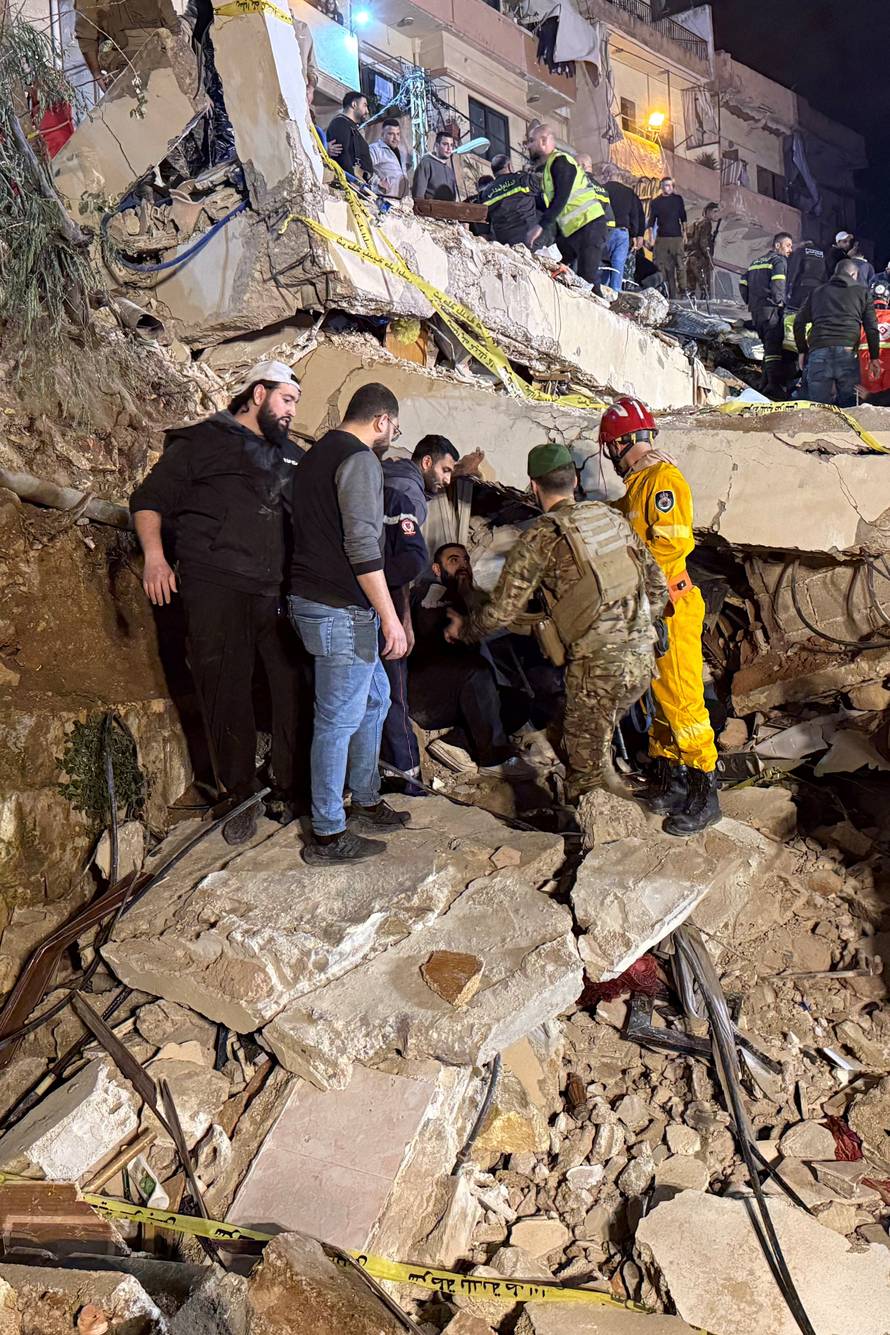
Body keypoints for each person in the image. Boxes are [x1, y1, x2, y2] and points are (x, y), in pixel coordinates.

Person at [130, 360, 304, 845]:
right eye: (287, 400)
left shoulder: (289, 455)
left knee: (291, 681)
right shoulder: (201, 441)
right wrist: (155, 557)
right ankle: (239, 792)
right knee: (225, 689)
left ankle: (288, 786)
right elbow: (149, 499)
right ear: (257, 393)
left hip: (273, 591)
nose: (292, 411)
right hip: (214, 584)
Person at [445, 444, 666, 801]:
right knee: (568, 732)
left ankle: (608, 842)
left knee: (587, 777)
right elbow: (657, 587)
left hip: (599, 672)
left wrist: (464, 629)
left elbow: (500, 613)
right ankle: (605, 789)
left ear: (533, 486)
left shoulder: (541, 536)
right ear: (575, 480)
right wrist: (633, 631)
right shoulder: (609, 518)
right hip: (641, 664)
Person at [288, 383, 409, 865]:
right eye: (393, 429)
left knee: (376, 698)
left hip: (315, 602)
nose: (391, 437)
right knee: (337, 720)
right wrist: (390, 618)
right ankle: (327, 833)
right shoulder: (359, 459)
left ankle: (364, 798)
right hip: (340, 609)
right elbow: (363, 547)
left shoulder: (317, 454)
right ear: (381, 421)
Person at [599, 397, 720, 835]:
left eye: (609, 447)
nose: (610, 456)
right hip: (651, 607)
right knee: (661, 698)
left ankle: (706, 793)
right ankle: (669, 779)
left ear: (619, 443)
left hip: (669, 605)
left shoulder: (662, 481)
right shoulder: (639, 484)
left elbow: (668, 548)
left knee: (684, 698)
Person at [410, 544, 535, 776]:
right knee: (477, 670)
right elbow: (438, 632)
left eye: (466, 560)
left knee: (518, 702)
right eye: (454, 560)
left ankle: (455, 743)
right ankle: (493, 760)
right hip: (429, 697)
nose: (463, 566)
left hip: (460, 694)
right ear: (437, 569)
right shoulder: (428, 595)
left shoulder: (470, 599)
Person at [380, 436, 458, 793]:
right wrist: (402, 621)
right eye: (444, 469)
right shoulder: (407, 493)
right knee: (395, 690)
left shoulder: (386, 473)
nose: (447, 479)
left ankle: (371, 774)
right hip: (383, 608)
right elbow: (400, 566)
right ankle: (408, 776)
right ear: (425, 462)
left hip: (349, 602)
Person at [525, 124, 609, 296]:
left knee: (588, 281)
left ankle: (605, 317)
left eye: (531, 141)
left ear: (544, 140)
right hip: (573, 231)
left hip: (589, 225)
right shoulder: (549, 169)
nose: (528, 146)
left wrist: (540, 226)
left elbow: (561, 199)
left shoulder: (561, 161)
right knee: (553, 264)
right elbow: (554, 206)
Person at [793, 259, 880, 407]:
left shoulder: (817, 292)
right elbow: (871, 328)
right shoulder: (862, 293)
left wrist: (802, 351)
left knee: (818, 408)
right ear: (853, 274)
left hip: (818, 353)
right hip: (847, 354)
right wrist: (874, 357)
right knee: (850, 409)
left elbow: (798, 322)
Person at [739, 232, 794, 397]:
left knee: (767, 347)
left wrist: (749, 301)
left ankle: (764, 382)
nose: (790, 250)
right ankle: (773, 387)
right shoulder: (778, 261)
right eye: (788, 245)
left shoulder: (756, 262)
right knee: (774, 349)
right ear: (777, 245)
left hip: (756, 311)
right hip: (771, 310)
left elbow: (743, 282)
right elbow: (779, 282)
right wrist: (780, 302)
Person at [477, 153, 542, 248]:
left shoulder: (484, 195)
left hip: (506, 245)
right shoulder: (522, 179)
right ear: (509, 166)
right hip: (530, 240)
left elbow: (483, 228)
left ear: (494, 172)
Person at [598, 164, 645, 292]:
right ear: (617, 175)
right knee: (618, 265)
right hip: (622, 233)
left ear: (605, 176)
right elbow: (634, 214)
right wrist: (635, 235)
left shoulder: (601, 189)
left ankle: (601, 292)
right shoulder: (628, 192)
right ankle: (615, 293)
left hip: (604, 230)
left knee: (602, 264)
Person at [646, 177, 688, 299]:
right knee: (660, 265)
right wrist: (651, 238)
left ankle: (683, 290)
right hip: (662, 238)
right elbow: (651, 221)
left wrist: (684, 234)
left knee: (680, 264)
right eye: (665, 185)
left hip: (676, 237)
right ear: (661, 186)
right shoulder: (656, 202)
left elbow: (683, 217)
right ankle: (662, 290)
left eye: (670, 185)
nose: (668, 188)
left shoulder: (677, 199)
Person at [326, 91, 374, 184]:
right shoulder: (340, 123)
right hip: (351, 184)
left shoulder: (350, 126)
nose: (367, 111)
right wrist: (352, 181)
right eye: (364, 105)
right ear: (354, 104)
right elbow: (342, 155)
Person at [685, 202, 720, 299]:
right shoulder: (706, 223)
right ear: (708, 212)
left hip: (691, 257)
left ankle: (691, 305)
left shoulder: (696, 222)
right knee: (704, 286)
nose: (717, 214)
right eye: (715, 211)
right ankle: (704, 308)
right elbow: (703, 242)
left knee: (691, 287)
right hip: (700, 258)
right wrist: (708, 256)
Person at [412, 131, 460, 202]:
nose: (449, 148)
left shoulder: (450, 171)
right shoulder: (426, 164)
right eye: (445, 144)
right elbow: (418, 196)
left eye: (451, 145)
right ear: (437, 146)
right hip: (430, 211)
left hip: (448, 211)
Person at [370, 118, 409, 200]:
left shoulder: (401, 153)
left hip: (402, 202)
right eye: (391, 134)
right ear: (382, 134)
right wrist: (377, 182)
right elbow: (363, 169)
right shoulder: (375, 149)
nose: (395, 138)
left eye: (398, 134)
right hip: (384, 200)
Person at [786, 238, 827, 310]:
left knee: (794, 312)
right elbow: (825, 272)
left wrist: (789, 288)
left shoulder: (800, 251)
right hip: (817, 288)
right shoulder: (821, 253)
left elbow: (794, 270)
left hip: (802, 287)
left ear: (802, 243)